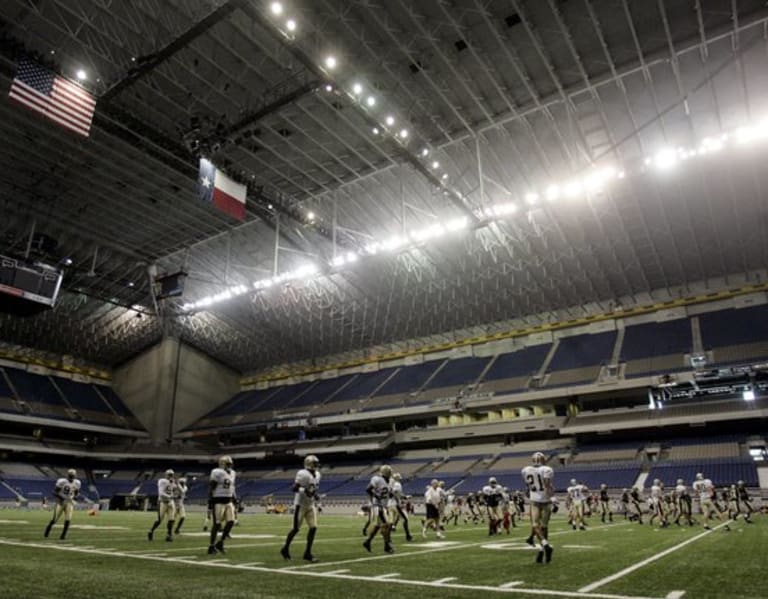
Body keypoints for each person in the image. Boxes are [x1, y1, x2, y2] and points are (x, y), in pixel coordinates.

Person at [281, 455, 321, 562]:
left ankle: (307, 553)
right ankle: (285, 548)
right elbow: (294, 488)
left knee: (313, 528)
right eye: (315, 463)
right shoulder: (302, 473)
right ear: (309, 464)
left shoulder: (317, 474)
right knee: (295, 529)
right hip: (300, 505)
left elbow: (313, 489)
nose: (316, 465)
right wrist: (304, 490)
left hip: (310, 504)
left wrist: (315, 495)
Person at [521, 452, 554, 563]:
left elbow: (528, 486)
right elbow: (547, 484)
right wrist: (552, 497)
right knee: (544, 527)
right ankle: (544, 548)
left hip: (534, 501)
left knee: (535, 525)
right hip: (546, 500)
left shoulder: (525, 470)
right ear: (543, 460)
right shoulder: (547, 469)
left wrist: (528, 494)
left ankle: (544, 546)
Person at [208, 456, 237, 554]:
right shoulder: (217, 472)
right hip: (218, 501)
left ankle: (220, 543)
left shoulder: (233, 473)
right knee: (216, 524)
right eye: (228, 464)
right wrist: (210, 503)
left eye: (230, 464)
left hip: (228, 501)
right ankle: (211, 546)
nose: (230, 466)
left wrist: (234, 498)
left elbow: (232, 487)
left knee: (231, 522)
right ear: (222, 464)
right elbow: (211, 487)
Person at [363, 465, 394, 553]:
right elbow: (368, 489)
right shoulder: (377, 479)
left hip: (383, 505)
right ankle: (387, 546)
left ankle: (367, 542)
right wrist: (376, 496)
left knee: (377, 526)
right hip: (378, 505)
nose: (391, 473)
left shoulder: (389, 481)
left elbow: (389, 493)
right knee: (387, 525)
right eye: (389, 471)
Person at [44, 468, 81, 540]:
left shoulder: (77, 483)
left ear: (75, 476)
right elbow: (54, 492)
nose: (71, 477)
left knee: (68, 519)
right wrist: (61, 498)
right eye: (70, 475)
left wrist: (75, 497)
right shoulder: (62, 481)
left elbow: (76, 492)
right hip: (61, 502)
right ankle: (48, 529)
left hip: (69, 502)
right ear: (68, 475)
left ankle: (63, 535)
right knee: (55, 519)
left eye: (72, 476)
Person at [148, 469, 176, 542]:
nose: (170, 476)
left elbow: (173, 491)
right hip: (162, 502)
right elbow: (161, 493)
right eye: (169, 474)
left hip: (170, 502)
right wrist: (170, 496)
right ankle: (151, 531)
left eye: (171, 475)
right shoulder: (162, 481)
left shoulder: (172, 482)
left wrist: (174, 493)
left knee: (171, 519)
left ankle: (169, 535)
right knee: (160, 520)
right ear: (166, 474)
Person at [388, 472, 413, 541]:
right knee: (405, 519)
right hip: (395, 504)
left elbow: (390, 493)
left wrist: (404, 497)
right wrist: (404, 498)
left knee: (391, 521)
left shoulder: (391, 484)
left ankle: (388, 537)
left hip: (389, 504)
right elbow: (396, 493)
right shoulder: (397, 484)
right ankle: (408, 536)